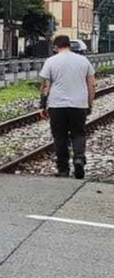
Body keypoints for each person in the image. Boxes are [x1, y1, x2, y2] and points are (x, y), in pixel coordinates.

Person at [39, 34, 97, 179]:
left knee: (60, 137)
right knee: (78, 133)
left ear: (55, 47)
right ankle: (78, 159)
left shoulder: (51, 61)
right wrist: (89, 103)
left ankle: (63, 169)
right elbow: (92, 85)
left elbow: (45, 85)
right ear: (69, 45)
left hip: (57, 105)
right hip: (78, 104)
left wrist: (42, 105)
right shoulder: (83, 61)